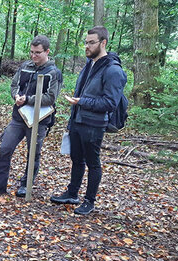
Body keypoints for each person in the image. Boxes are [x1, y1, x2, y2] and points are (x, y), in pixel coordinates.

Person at [50, 26, 127, 215]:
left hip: (94, 123)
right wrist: (73, 116)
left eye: (91, 42)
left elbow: (110, 102)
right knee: (77, 159)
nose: (87, 46)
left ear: (103, 43)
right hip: (78, 119)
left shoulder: (112, 70)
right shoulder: (89, 64)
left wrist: (82, 102)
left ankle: (89, 201)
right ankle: (72, 193)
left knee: (93, 162)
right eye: (86, 42)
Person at [0, 35, 63, 196]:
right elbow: (14, 85)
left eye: (38, 53)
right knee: (5, 148)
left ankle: (26, 185)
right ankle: (0, 184)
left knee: (33, 153)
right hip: (19, 117)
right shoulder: (25, 66)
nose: (34, 56)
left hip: (39, 120)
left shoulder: (53, 72)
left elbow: (51, 98)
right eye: (32, 52)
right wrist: (16, 96)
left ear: (47, 51)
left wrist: (28, 99)